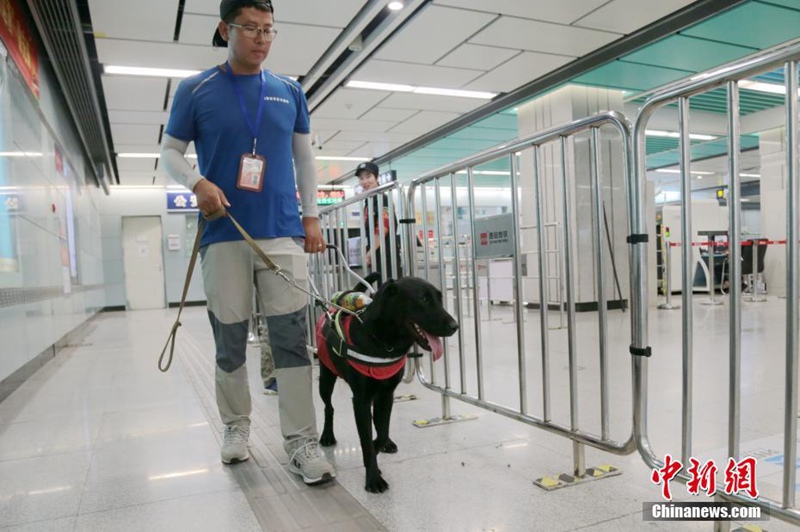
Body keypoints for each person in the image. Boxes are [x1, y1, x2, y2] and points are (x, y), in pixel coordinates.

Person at [160, 0, 335, 486]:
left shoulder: (288, 91)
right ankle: (236, 429)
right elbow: (170, 152)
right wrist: (196, 183)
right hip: (224, 234)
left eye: (269, 30)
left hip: (281, 232)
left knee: (292, 342)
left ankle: (302, 441)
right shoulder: (197, 89)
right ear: (225, 29)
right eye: (251, 29)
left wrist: (312, 216)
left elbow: (305, 160)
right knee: (230, 340)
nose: (261, 38)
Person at [356, 161, 402, 282]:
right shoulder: (369, 201)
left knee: (387, 289)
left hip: (386, 253)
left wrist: (371, 252)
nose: (365, 181)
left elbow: (383, 228)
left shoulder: (382, 199)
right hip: (377, 252)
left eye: (368, 176)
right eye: (361, 178)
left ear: (376, 177)